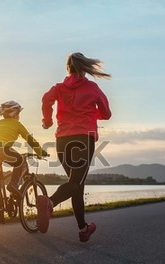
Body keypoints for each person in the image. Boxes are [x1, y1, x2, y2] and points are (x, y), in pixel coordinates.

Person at [36, 52, 112, 242]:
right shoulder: (92, 88)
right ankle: (50, 202)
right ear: (85, 68)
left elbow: (46, 99)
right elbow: (107, 113)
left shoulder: (59, 88)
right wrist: (93, 115)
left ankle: (83, 228)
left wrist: (47, 120)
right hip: (83, 139)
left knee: (76, 185)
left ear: (68, 68)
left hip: (62, 140)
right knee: (76, 183)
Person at [0, 101, 48, 198]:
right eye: (18, 113)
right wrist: (40, 152)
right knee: (20, 161)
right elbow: (30, 139)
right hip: (2, 149)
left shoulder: (0, 123)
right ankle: (13, 184)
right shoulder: (17, 124)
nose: (19, 116)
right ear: (15, 114)